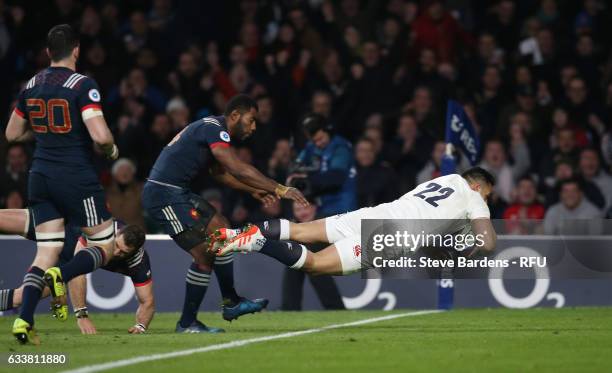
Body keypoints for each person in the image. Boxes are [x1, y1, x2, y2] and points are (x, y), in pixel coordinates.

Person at [141, 94, 308, 333]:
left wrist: (254, 190)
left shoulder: (211, 131)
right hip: (163, 194)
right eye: (251, 120)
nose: (253, 126)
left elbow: (220, 173)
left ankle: (231, 301)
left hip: (179, 193)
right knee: (204, 254)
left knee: (222, 230)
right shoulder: (214, 128)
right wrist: (279, 188)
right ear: (234, 116)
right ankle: (187, 322)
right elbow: (236, 167)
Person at [5, 24, 119, 344]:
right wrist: (110, 149)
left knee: (46, 253)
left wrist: (41, 135)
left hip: (39, 176)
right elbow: (100, 135)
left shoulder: (31, 84)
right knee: (105, 247)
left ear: (47, 52)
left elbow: (12, 134)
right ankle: (62, 275)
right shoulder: (81, 84)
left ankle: (23, 320)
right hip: (75, 177)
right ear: (77, 50)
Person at [216, 167, 497, 276]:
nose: (486, 201)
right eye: (487, 195)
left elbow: (427, 234)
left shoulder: (443, 179)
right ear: (477, 187)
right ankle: (254, 241)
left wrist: (439, 251)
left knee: (299, 230)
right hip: (390, 236)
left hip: (375, 213)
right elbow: (488, 242)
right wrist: (474, 248)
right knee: (315, 265)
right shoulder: (473, 198)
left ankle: (233, 234)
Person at [0, 209, 153, 335]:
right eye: (116, 245)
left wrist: (140, 326)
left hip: (65, 261)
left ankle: (55, 280)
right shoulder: (102, 231)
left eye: (123, 252)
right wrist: (81, 315)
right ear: (117, 233)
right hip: (58, 227)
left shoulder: (138, 262)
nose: (116, 252)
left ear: (133, 252)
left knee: (23, 297)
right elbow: (78, 269)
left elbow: (147, 301)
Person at [287, 113, 357, 217]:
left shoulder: (340, 148)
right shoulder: (311, 146)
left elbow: (336, 177)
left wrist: (307, 177)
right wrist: (293, 176)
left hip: (342, 207)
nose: (318, 143)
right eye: (314, 140)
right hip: (321, 207)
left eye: (320, 138)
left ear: (328, 130)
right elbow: (297, 165)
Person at [281, 201, 344, 310]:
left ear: (315, 207)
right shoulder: (294, 226)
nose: (302, 213)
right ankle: (289, 310)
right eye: (298, 210)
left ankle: (336, 309)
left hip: (341, 256)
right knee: (296, 259)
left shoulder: (327, 220)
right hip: (315, 261)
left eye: (305, 208)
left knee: (312, 261)